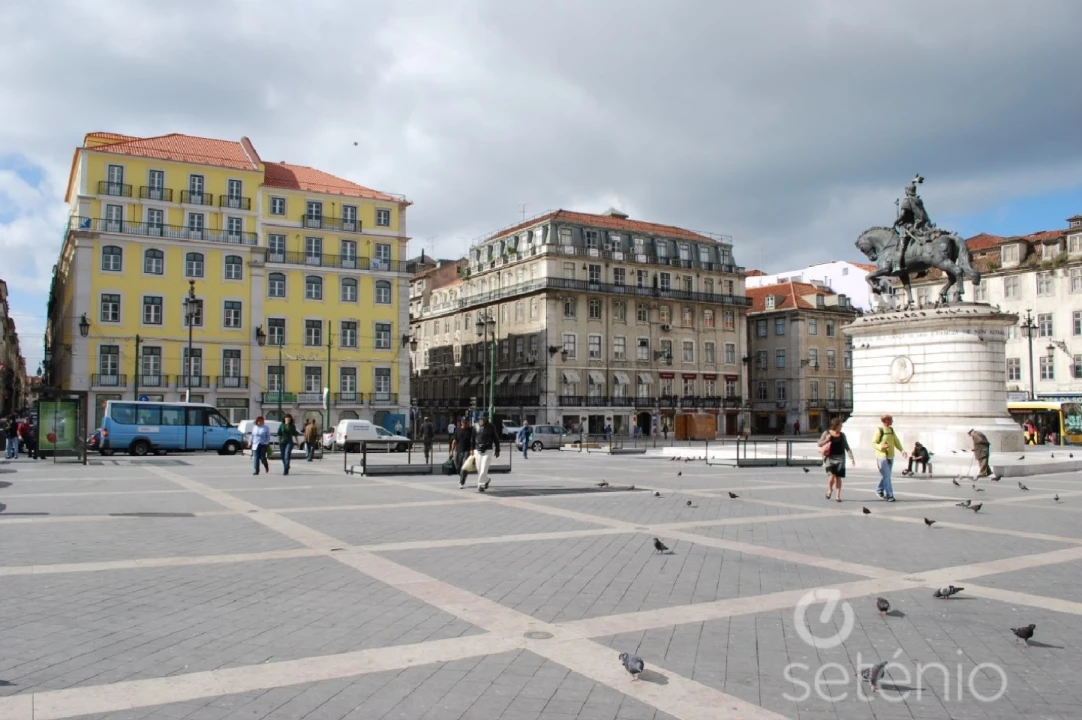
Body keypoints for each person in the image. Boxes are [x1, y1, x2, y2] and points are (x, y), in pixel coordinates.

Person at [818, 417, 854, 502]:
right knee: (831, 477)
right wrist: (826, 440)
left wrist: (851, 458)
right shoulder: (826, 433)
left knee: (838, 477)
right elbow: (819, 444)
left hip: (840, 458)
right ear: (836, 425)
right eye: (840, 425)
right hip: (829, 458)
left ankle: (838, 496)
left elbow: (847, 447)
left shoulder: (842, 435)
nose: (841, 427)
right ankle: (830, 489)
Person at [873, 414, 906, 502]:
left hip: (891, 456)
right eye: (891, 420)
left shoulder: (891, 430)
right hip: (882, 456)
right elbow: (873, 443)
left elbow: (896, 441)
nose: (892, 421)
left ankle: (879, 490)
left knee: (886, 476)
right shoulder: (879, 430)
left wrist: (902, 450)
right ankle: (889, 495)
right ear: (885, 421)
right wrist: (881, 447)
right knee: (887, 476)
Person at [474, 413, 501, 492]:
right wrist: (471, 449)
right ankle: (487, 480)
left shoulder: (491, 426)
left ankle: (480, 485)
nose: (482, 420)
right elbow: (472, 438)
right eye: (480, 418)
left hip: (488, 449)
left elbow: (496, 438)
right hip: (477, 449)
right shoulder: (475, 426)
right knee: (479, 469)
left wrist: (497, 449)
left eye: (483, 418)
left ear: (486, 419)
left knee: (484, 468)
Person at [450, 417, 474, 488]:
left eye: (466, 422)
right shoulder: (457, 430)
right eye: (464, 422)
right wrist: (451, 450)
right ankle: (462, 475)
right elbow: (454, 441)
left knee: (464, 467)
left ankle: (462, 482)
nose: (465, 424)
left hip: (467, 451)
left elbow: (473, 441)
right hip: (458, 450)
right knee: (457, 466)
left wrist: (472, 450)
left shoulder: (471, 430)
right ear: (461, 422)